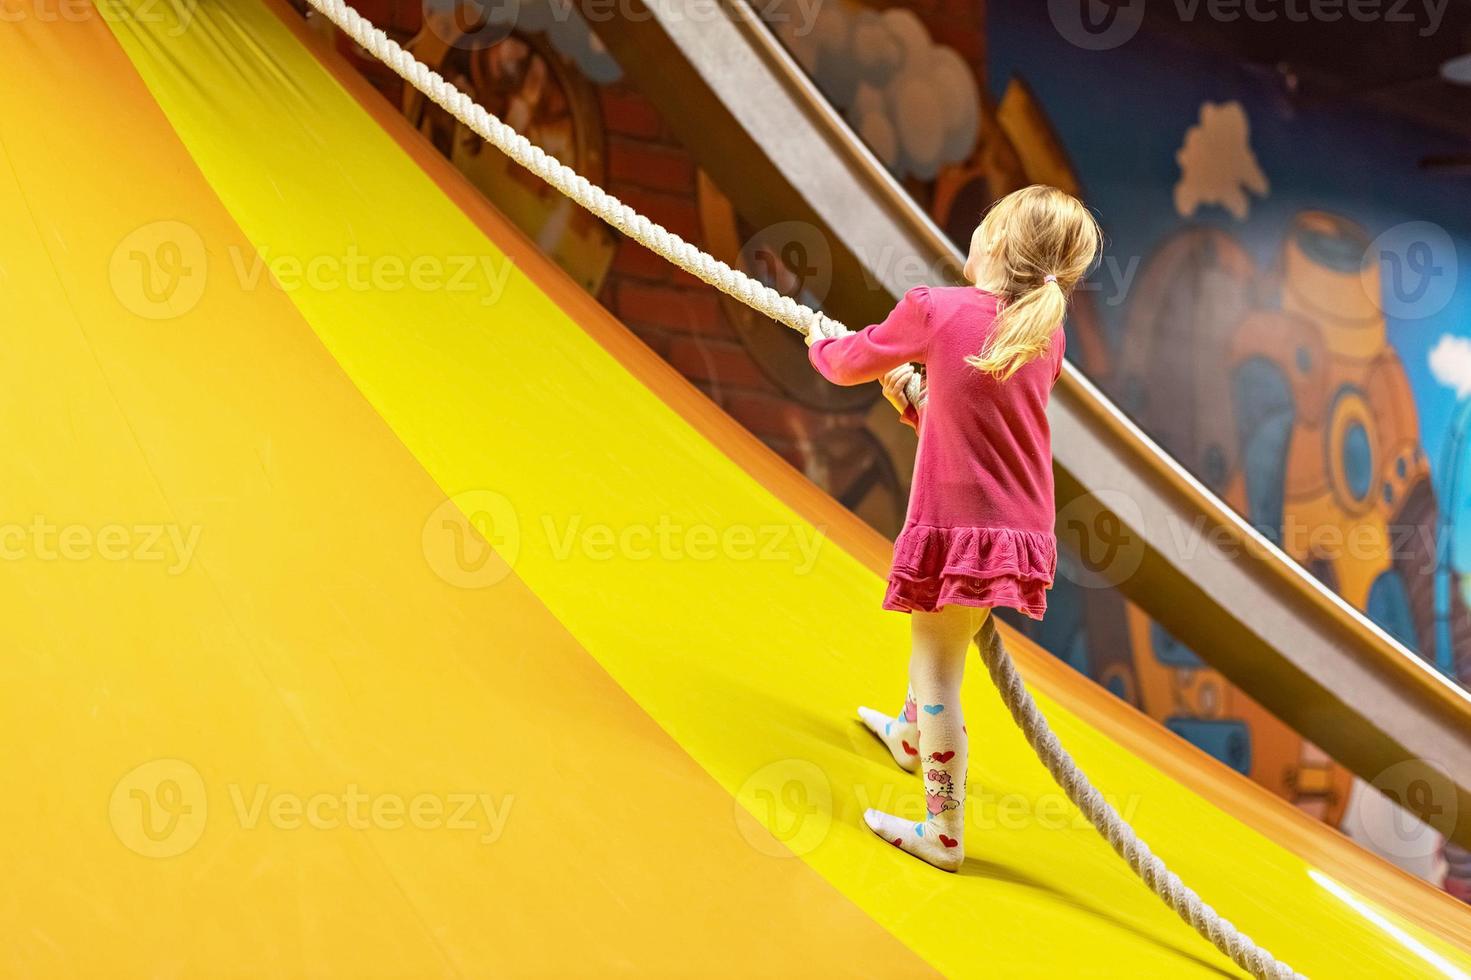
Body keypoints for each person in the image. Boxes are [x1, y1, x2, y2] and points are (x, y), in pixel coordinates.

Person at [806, 184, 1102, 871]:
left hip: (960, 526)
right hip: (1018, 529)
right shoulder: (1042, 334)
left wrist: (821, 344)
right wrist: (917, 402)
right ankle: (911, 736)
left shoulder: (934, 310)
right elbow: (977, 422)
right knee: (944, 639)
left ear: (994, 241)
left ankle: (942, 831)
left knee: (936, 666)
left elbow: (854, 362)